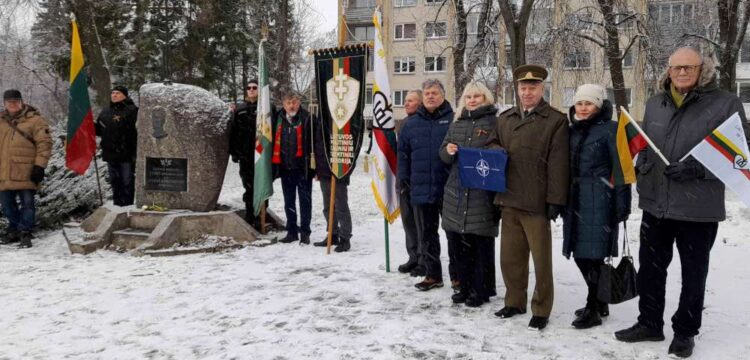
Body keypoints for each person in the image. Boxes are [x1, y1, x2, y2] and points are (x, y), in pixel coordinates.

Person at [614, 47, 750, 358]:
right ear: (668, 70)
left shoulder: (724, 103)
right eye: (677, 68)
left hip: (698, 208)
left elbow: (740, 153)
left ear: (703, 69)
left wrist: (698, 169)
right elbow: (647, 144)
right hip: (655, 202)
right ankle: (649, 322)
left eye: (689, 67)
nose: (682, 73)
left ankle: (685, 332)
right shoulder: (655, 103)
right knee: (651, 269)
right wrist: (643, 163)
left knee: (693, 273)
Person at [488, 65, 569, 331]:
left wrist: (555, 200)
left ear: (541, 89)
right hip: (509, 197)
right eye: (523, 88)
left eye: (532, 87)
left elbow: (558, 164)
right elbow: (490, 143)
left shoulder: (555, 120)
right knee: (510, 258)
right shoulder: (505, 118)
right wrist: (497, 148)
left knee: (541, 260)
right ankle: (514, 301)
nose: (527, 92)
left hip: (536, 201)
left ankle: (542, 308)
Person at [561, 84, 631, 329]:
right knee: (581, 255)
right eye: (579, 103)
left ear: (599, 105)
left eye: (588, 103)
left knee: (594, 256)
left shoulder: (611, 130)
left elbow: (621, 168)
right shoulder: (572, 131)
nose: (583, 108)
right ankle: (600, 300)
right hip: (575, 199)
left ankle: (593, 308)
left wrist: (623, 203)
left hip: (600, 198)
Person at [439, 81, 499, 307]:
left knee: (480, 243)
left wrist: (486, 154)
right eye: (468, 97)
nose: (472, 100)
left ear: (486, 99)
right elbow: (442, 154)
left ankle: (481, 289)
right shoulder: (457, 123)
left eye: (477, 97)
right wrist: (448, 151)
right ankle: (464, 286)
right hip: (456, 190)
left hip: (481, 191)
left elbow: (501, 150)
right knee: (459, 243)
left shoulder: (494, 122)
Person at [397, 79, 453, 291]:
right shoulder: (410, 124)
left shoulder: (453, 120)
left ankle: (457, 276)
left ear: (443, 95)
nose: (430, 96)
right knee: (427, 235)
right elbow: (403, 156)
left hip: (448, 188)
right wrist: (404, 182)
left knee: (453, 234)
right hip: (420, 188)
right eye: (427, 93)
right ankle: (433, 274)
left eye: (435, 93)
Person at [0, 89, 53, 248]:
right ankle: (14, 229)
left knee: (27, 204)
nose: (13, 104)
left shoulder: (36, 120)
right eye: (9, 102)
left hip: (27, 171)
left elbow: (45, 145)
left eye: (16, 101)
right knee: (7, 205)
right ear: (4, 104)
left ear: (22, 102)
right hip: (4, 172)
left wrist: (39, 166)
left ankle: (25, 232)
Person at [229, 80, 274, 226]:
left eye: (255, 87)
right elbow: (233, 132)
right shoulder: (239, 109)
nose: (252, 90)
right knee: (248, 186)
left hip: (262, 154)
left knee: (262, 184)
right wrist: (234, 153)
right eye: (249, 88)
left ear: (259, 90)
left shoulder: (267, 108)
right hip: (246, 155)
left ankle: (262, 213)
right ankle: (250, 215)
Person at [273, 92, 313, 244]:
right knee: (289, 201)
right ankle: (292, 231)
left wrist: (314, 168)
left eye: (294, 102)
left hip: (303, 168)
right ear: (283, 104)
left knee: (305, 201)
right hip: (285, 168)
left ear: (299, 103)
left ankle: (305, 232)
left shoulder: (307, 118)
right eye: (288, 103)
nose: (291, 106)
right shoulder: (277, 119)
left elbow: (315, 143)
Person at [312, 114, 353, 253]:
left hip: (339, 170)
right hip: (323, 169)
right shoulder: (320, 119)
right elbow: (318, 146)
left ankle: (345, 237)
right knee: (327, 206)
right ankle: (332, 234)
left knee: (341, 205)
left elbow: (347, 145)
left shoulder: (342, 118)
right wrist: (318, 169)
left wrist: (342, 169)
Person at [95, 85, 138, 206]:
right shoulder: (106, 110)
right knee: (115, 181)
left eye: (117, 93)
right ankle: (117, 205)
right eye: (113, 93)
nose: (114, 95)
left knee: (127, 180)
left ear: (125, 95)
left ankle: (127, 206)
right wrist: (90, 126)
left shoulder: (132, 110)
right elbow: (99, 129)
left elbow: (135, 130)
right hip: (110, 152)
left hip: (126, 153)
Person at [395, 89, 423, 275]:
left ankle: (423, 258)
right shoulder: (402, 123)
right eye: (405, 100)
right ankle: (413, 256)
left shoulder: (424, 122)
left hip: (419, 181)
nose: (406, 103)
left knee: (421, 224)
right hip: (403, 181)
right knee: (408, 222)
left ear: (420, 103)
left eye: (411, 100)